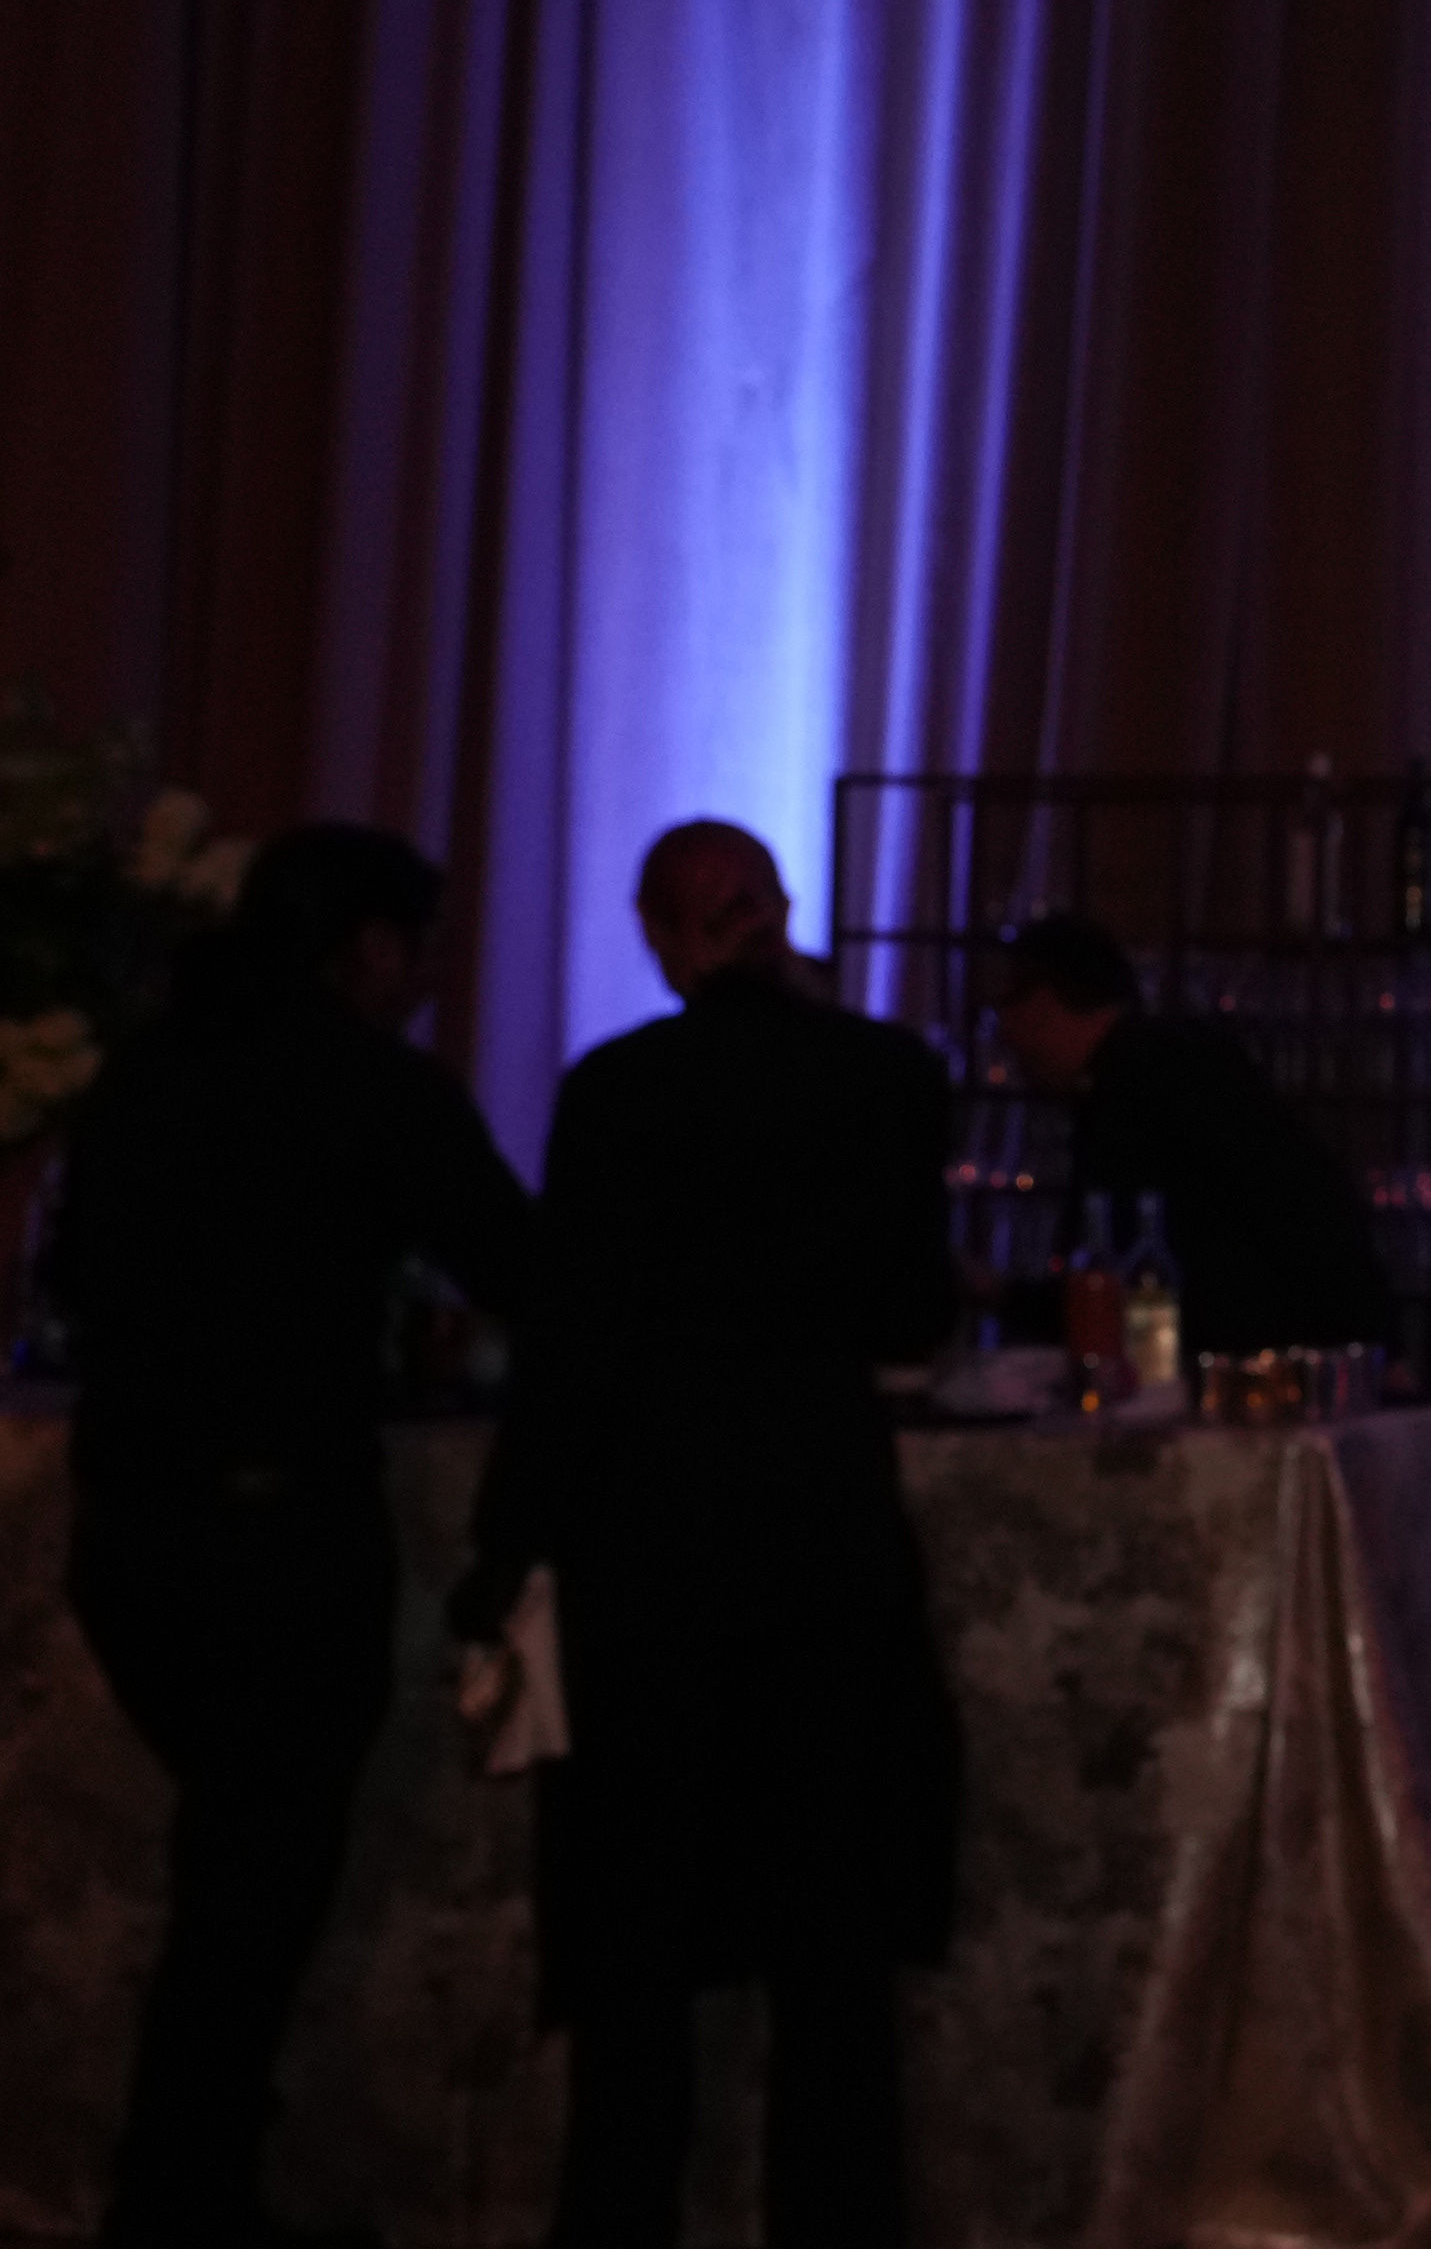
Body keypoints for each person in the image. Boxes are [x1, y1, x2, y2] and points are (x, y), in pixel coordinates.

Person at [458, 822, 961, 2249]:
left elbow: (573, 1349)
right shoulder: (886, 1076)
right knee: (830, 1941)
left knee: (635, 1942)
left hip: (650, 1548)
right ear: (777, 918)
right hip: (818, 1531)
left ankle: (619, 2222)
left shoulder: (615, 1091)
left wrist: (509, 1547)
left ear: (672, 939)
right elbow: (910, 1311)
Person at [48, 824, 539, 2249]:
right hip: (279, 1534)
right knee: (248, 1901)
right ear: (365, 949)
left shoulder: (148, 1069)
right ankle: (178, 2201)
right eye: (420, 950)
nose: (429, 981)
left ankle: (186, 2187)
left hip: (130, 1525)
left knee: (229, 1886)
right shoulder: (374, 1090)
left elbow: (79, 1277)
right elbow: (519, 1266)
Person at [985, 912, 1391, 1358]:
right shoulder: (1164, 1064)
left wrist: (1002, 1294)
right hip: (1273, 1349)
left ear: (1042, 1001)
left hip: (1242, 1361)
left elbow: (1124, 1268)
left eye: (1005, 1006)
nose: (1002, 1032)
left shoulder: (1138, 1083)